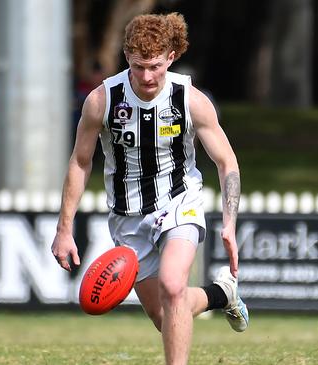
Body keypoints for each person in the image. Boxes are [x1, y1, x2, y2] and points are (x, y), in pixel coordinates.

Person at [51, 13, 248, 365]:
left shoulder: (190, 99)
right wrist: (64, 229)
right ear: (127, 56)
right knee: (166, 316)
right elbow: (81, 163)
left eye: (155, 66)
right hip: (127, 218)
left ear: (171, 56)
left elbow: (227, 163)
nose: (146, 76)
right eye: (139, 66)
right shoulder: (102, 100)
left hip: (179, 203)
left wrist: (230, 223)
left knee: (173, 286)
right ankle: (222, 294)